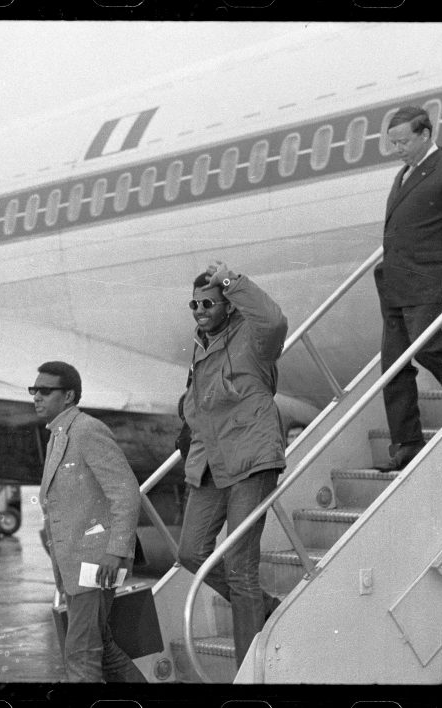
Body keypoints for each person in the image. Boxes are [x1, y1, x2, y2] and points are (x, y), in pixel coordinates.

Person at [177, 261, 288, 669]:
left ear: (228, 304)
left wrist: (231, 280)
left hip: (251, 459)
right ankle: (267, 606)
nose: (200, 309)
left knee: (241, 571)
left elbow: (275, 321)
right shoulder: (200, 343)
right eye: (194, 304)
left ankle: (248, 673)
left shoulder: (253, 339)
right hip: (211, 464)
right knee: (190, 553)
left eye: (209, 302)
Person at [375, 106, 442, 470]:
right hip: (395, 287)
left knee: (432, 348)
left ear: (425, 134)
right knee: (393, 369)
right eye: (392, 143)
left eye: (403, 141)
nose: (397, 149)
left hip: (430, 283)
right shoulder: (403, 175)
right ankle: (406, 445)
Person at [32, 361, 146, 683]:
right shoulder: (59, 434)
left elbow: (126, 493)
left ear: (68, 396)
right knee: (102, 646)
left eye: (45, 390)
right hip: (75, 565)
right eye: (34, 390)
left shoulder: (87, 430)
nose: (36, 396)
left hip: (95, 563)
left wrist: (115, 551)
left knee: (81, 652)